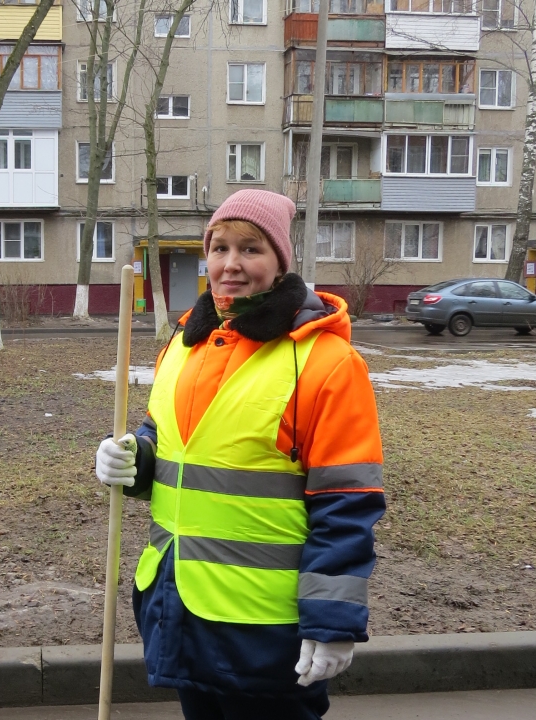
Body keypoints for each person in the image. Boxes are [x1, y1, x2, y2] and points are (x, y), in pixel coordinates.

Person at [95, 189, 385, 720]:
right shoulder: (183, 343)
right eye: (219, 247)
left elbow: (347, 501)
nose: (230, 264)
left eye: (250, 249)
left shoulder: (325, 362)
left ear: (279, 262)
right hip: (179, 604)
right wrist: (133, 458)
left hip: (266, 629)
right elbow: (170, 441)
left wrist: (333, 619)